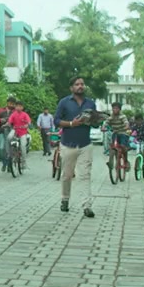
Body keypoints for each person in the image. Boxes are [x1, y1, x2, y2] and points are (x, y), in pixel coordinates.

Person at [55, 76, 98, 217]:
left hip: (85, 144)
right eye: (77, 84)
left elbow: (95, 123)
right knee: (67, 175)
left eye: (82, 84)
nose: (80, 86)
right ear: (71, 88)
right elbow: (56, 121)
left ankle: (87, 206)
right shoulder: (64, 102)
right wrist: (71, 124)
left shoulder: (90, 103)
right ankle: (65, 199)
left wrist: (96, 120)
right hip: (68, 144)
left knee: (85, 175)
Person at [105, 102, 132, 171]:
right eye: (113, 108)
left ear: (119, 109)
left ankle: (126, 161)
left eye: (116, 108)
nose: (115, 110)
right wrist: (103, 127)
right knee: (112, 146)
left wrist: (126, 126)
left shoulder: (122, 116)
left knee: (123, 146)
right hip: (115, 133)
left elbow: (126, 123)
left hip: (123, 133)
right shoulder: (111, 117)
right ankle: (111, 162)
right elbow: (106, 123)